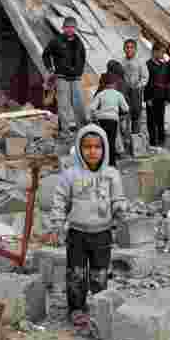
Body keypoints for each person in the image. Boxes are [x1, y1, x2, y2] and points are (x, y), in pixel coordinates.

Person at [44, 125, 127, 327]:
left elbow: (118, 198)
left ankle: (100, 306)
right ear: (79, 149)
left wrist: (120, 208)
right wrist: (56, 225)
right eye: (87, 147)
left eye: (97, 147)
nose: (92, 151)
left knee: (99, 273)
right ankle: (76, 309)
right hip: (77, 234)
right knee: (76, 273)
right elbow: (60, 201)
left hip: (102, 233)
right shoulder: (70, 175)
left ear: (104, 149)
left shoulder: (111, 174)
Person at [42, 17, 88, 138]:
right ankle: (64, 132)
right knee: (63, 105)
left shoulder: (79, 42)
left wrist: (80, 70)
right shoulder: (56, 41)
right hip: (62, 77)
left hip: (76, 78)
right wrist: (50, 68)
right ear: (63, 28)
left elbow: (83, 57)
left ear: (75, 28)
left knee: (78, 104)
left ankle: (82, 130)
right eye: (67, 27)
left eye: (72, 27)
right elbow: (46, 54)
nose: (70, 29)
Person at [89, 73, 129, 166]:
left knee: (102, 140)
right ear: (114, 84)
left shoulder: (101, 94)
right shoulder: (118, 94)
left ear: (105, 84)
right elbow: (126, 108)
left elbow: (92, 108)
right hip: (113, 119)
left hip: (101, 120)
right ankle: (112, 163)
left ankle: (101, 162)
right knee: (111, 141)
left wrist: (94, 116)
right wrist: (121, 115)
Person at [144, 40, 170, 147]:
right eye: (161, 52)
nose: (162, 55)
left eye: (163, 53)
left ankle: (161, 141)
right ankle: (153, 143)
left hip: (161, 96)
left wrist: (167, 97)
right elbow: (146, 82)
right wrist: (147, 98)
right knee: (151, 121)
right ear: (154, 52)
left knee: (160, 120)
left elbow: (166, 81)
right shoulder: (148, 65)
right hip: (151, 97)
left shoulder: (164, 65)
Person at [120, 38, 145, 142]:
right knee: (125, 115)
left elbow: (145, 77)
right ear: (124, 49)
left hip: (136, 91)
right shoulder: (122, 62)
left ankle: (135, 140)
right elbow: (120, 76)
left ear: (135, 49)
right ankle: (125, 139)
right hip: (125, 92)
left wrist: (138, 85)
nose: (129, 49)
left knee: (136, 115)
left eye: (131, 47)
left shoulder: (140, 62)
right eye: (127, 47)